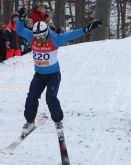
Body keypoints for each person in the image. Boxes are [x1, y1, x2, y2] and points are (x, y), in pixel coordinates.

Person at [17, 8, 101, 137]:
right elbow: (20, 30)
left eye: (42, 36)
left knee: (50, 98)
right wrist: (21, 19)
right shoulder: (32, 37)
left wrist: (86, 29)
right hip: (39, 75)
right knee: (31, 97)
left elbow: (72, 34)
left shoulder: (54, 39)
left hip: (53, 76)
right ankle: (29, 121)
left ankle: (58, 121)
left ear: (47, 33)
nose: (40, 39)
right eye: (37, 37)